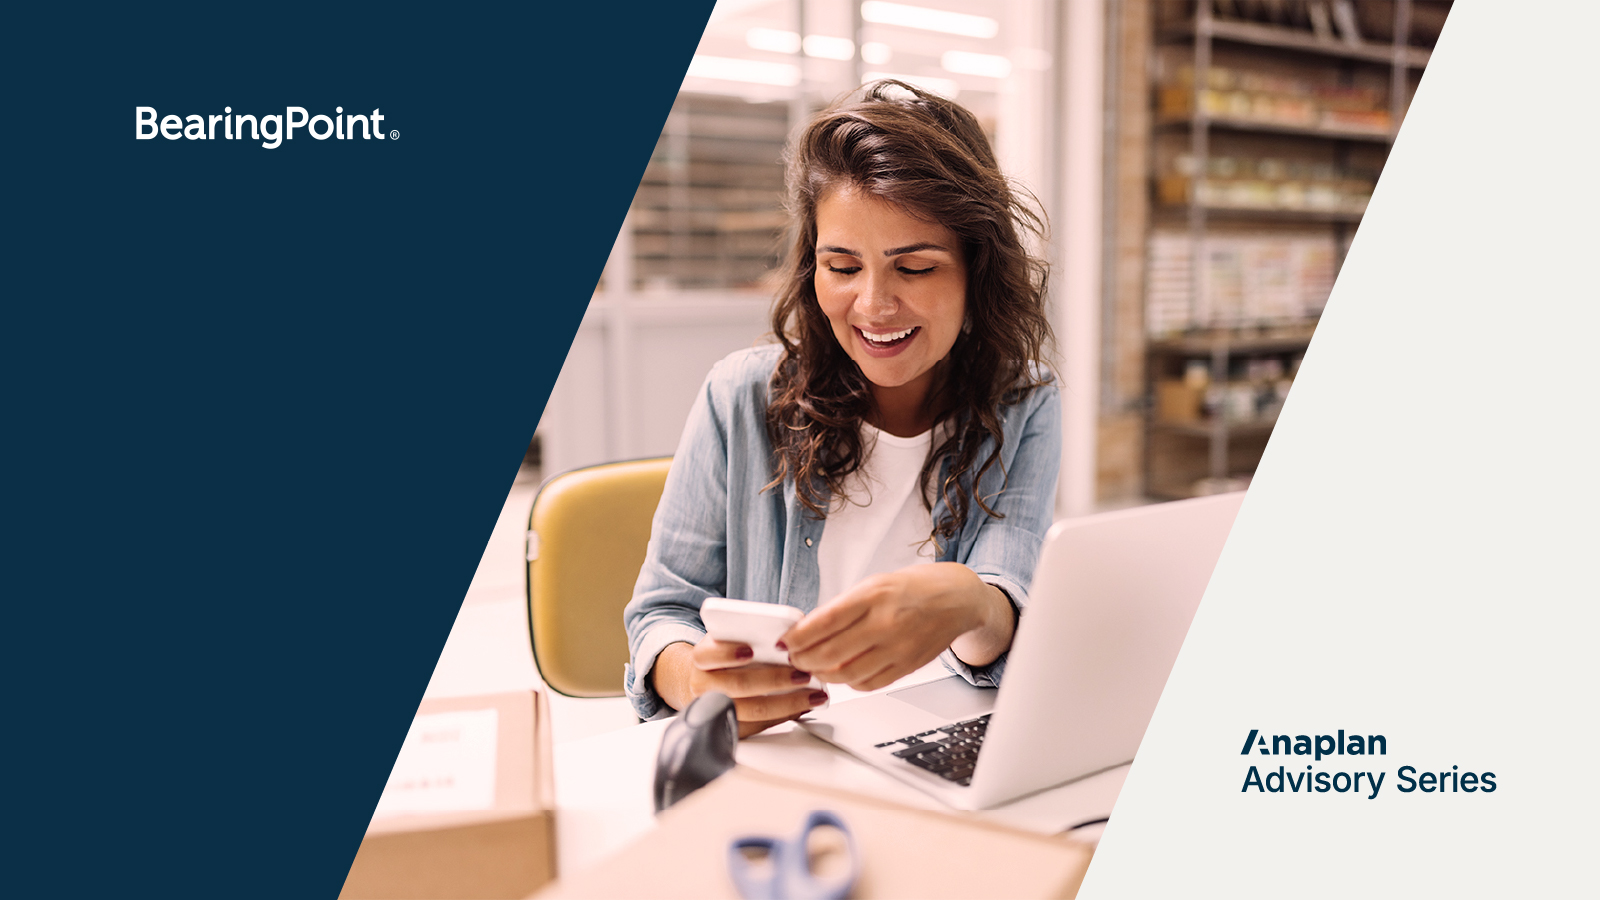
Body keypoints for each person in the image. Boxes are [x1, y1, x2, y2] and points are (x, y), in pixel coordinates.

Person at [623, 80, 1060, 736]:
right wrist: (694, 679)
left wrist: (973, 602)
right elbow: (662, 612)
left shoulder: (1024, 400)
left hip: (935, 741)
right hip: (779, 748)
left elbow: (1004, 603)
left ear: (978, 270)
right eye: (843, 266)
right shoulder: (740, 396)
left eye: (914, 269)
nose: (874, 306)